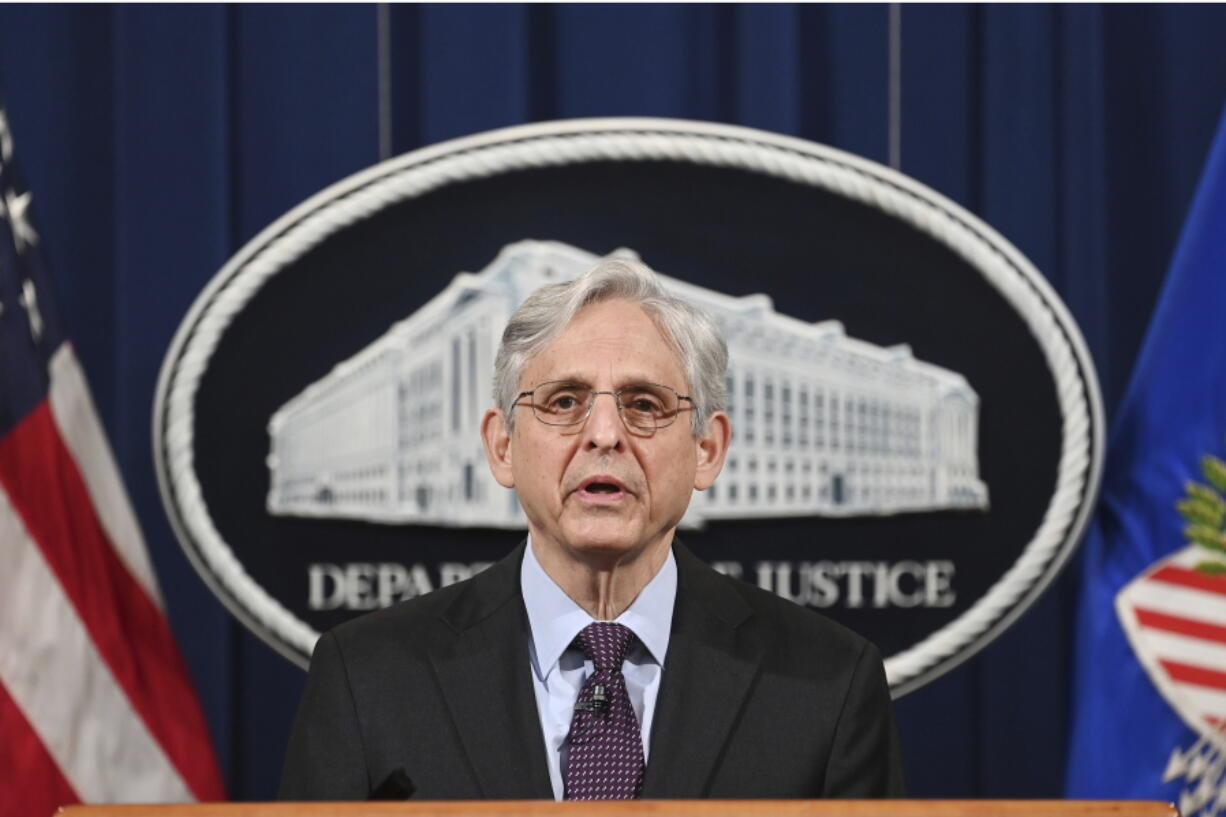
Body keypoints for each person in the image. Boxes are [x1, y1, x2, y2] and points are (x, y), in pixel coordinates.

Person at [279, 257, 906, 800]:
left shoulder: (830, 682)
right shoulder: (367, 677)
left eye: (643, 404)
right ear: (502, 446)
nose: (604, 435)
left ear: (707, 450)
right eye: (563, 402)